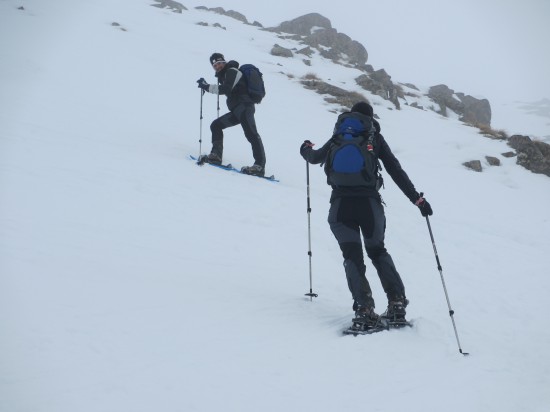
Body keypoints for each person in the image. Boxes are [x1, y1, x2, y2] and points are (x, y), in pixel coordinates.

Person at [299, 101, 433, 329]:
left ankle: (364, 310)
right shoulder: (373, 138)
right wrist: (417, 199)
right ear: (370, 119)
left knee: (352, 256)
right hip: (369, 206)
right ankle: (396, 304)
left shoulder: (337, 138)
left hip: (340, 207)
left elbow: (313, 158)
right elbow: (395, 171)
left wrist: (305, 148)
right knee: (377, 251)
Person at [196, 53, 266, 176]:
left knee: (251, 134)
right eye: (214, 65)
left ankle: (259, 166)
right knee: (216, 125)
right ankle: (216, 156)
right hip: (236, 111)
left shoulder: (232, 71)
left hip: (245, 108)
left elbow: (225, 89)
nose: (217, 66)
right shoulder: (225, 75)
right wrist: (207, 86)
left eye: (219, 63)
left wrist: (206, 86)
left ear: (224, 62)